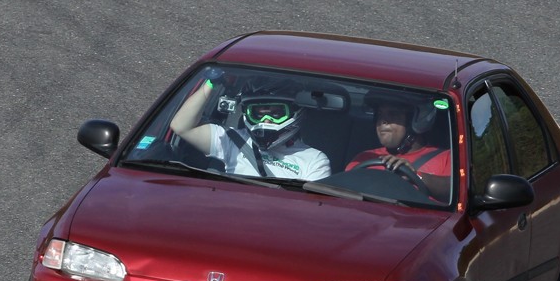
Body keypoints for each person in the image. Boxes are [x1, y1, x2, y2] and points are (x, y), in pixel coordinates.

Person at [169, 77, 331, 181]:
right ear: (247, 113)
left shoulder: (314, 160)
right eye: (258, 113)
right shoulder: (231, 139)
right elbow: (181, 126)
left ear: (295, 113)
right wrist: (212, 82)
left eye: (276, 113)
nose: (267, 120)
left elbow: (310, 211)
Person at [346, 93, 451, 199]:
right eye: (379, 114)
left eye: (393, 114)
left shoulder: (446, 158)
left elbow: (453, 190)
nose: (383, 121)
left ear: (418, 120)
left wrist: (414, 175)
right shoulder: (364, 158)